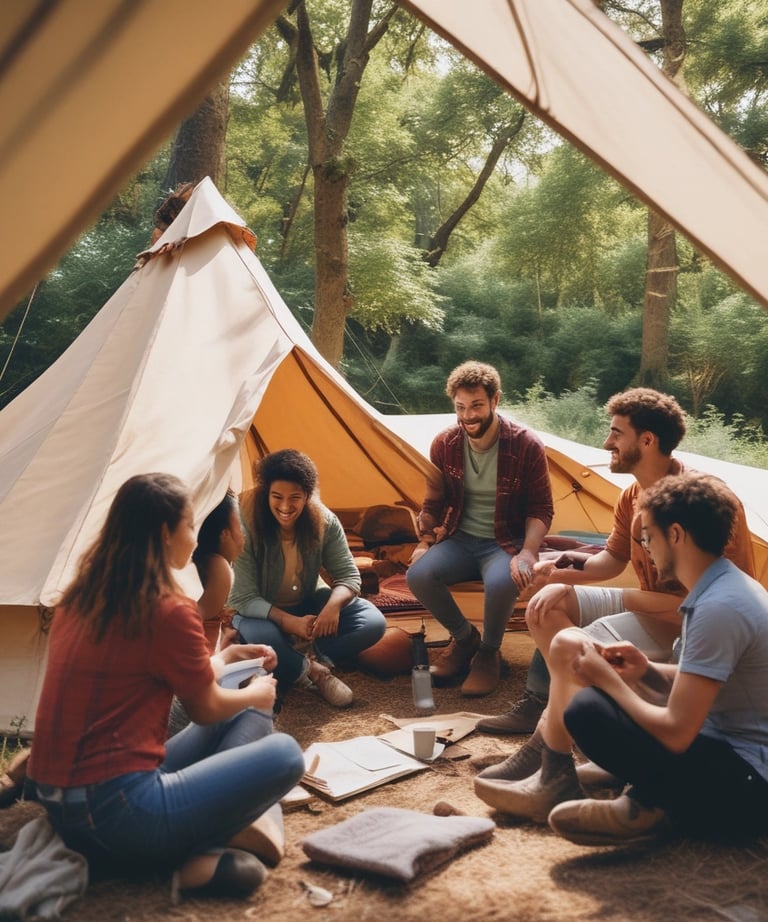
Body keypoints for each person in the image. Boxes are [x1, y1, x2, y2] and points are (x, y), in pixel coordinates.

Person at [26, 473, 305, 901]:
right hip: (118, 809)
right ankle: (188, 849)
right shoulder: (167, 607)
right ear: (165, 532)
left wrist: (221, 661)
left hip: (64, 804)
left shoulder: (83, 596)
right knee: (283, 750)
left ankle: (203, 828)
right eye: (191, 526)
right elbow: (206, 709)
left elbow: (143, 674)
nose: (195, 539)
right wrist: (259, 693)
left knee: (245, 713)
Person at [476, 387, 754, 734]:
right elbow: (612, 559)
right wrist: (556, 572)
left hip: (694, 624)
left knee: (583, 641)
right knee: (548, 605)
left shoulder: (706, 501)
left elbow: (722, 602)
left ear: (648, 440)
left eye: (616, 433)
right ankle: (554, 703)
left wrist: (621, 598)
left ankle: (600, 713)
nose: (607, 443)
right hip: (655, 609)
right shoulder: (631, 496)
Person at [545, 472, 768, 845]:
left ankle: (654, 805)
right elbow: (707, 680)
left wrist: (608, 679)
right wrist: (646, 670)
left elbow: (678, 732)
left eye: (647, 536)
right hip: (735, 748)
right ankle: (652, 794)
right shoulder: (728, 586)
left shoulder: (718, 608)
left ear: (676, 535)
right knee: (613, 701)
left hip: (751, 784)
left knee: (589, 710)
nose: (645, 547)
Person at [406, 361, 554, 696]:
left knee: (504, 581)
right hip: (460, 537)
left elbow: (542, 508)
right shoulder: (444, 444)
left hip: (505, 541)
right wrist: (426, 538)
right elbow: (434, 501)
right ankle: (464, 639)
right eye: (460, 407)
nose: (468, 416)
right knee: (418, 575)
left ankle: (489, 652)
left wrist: (529, 551)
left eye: (476, 406)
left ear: (495, 401)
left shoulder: (525, 444)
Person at [229, 449, 386, 707]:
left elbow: (348, 575)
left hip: (307, 602)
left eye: (295, 498)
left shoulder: (324, 520)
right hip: (260, 612)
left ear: (307, 496)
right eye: (276, 497)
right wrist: (290, 623)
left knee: (373, 622)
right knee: (263, 635)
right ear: (265, 493)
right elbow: (243, 597)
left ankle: (295, 660)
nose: (285, 507)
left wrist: (332, 608)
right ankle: (313, 671)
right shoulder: (244, 519)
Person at [193, 489, 246, 654]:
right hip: (200, 659)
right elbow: (193, 621)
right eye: (240, 525)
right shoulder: (218, 566)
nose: (244, 533)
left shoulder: (216, 563)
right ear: (224, 534)